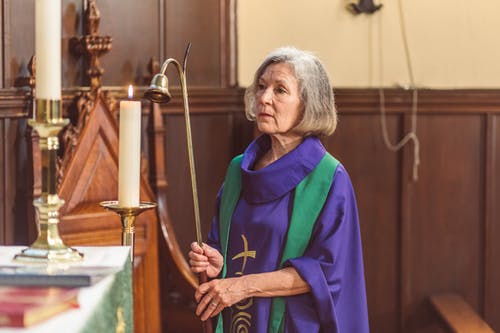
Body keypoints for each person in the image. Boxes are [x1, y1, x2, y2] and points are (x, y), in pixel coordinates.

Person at [188, 46, 369, 333]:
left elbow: (323, 273)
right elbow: (224, 247)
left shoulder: (329, 179)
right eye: (261, 87)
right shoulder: (238, 171)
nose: (263, 97)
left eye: (279, 90)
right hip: (239, 319)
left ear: (308, 104)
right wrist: (215, 264)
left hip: (293, 324)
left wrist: (241, 287)